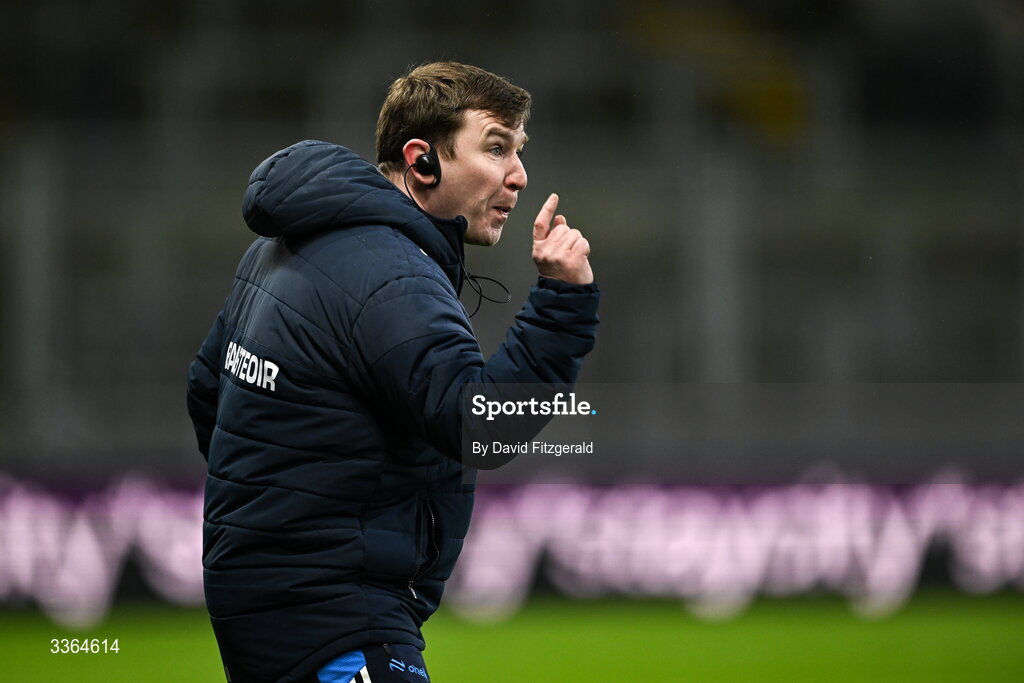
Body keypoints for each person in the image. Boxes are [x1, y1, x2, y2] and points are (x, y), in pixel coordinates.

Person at [186, 61, 599, 683]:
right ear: (422, 160)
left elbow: (208, 391)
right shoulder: (389, 271)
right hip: (337, 611)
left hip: (263, 602)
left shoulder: (284, 244)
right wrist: (563, 303)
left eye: (518, 150)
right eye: (495, 147)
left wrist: (276, 511)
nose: (518, 175)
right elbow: (480, 426)